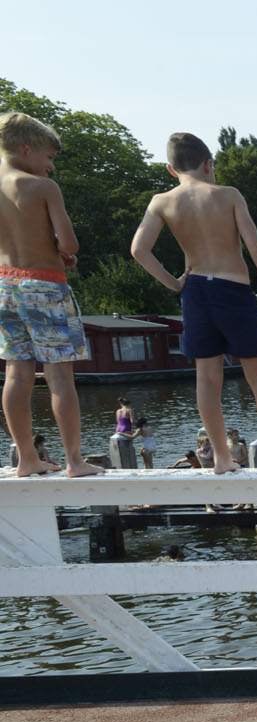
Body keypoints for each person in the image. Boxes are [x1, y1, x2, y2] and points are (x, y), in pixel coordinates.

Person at [129, 132, 257, 475]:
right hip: (233, 291)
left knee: (207, 380)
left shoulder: (161, 201)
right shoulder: (228, 195)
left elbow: (138, 250)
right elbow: (256, 247)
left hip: (195, 292)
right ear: (208, 164)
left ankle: (222, 458)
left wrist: (176, 283)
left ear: (170, 169)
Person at [0, 111, 102, 478]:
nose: (52, 167)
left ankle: (26, 459)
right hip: (44, 285)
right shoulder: (42, 188)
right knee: (60, 378)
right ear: (27, 149)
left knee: (16, 375)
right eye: (49, 157)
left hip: (4, 287)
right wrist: (64, 253)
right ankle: (74, 461)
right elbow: (69, 242)